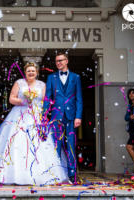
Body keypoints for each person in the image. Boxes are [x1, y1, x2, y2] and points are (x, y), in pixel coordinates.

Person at [0, 63, 68, 185]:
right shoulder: (19, 83)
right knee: (16, 141)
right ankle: (12, 175)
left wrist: (42, 109)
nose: (31, 73)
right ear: (25, 72)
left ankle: (40, 175)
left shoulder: (42, 85)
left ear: (37, 73)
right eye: (28, 71)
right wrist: (24, 100)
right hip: (19, 114)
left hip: (36, 115)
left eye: (33, 71)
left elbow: (46, 100)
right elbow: (11, 99)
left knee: (39, 144)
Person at [43, 52, 83, 184]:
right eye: (56, 61)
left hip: (71, 117)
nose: (58, 63)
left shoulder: (76, 77)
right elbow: (48, 97)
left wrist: (78, 116)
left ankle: (72, 175)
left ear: (67, 61)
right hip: (56, 116)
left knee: (71, 145)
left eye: (61, 60)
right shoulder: (51, 77)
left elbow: (79, 99)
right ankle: (56, 173)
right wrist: (44, 114)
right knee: (56, 145)